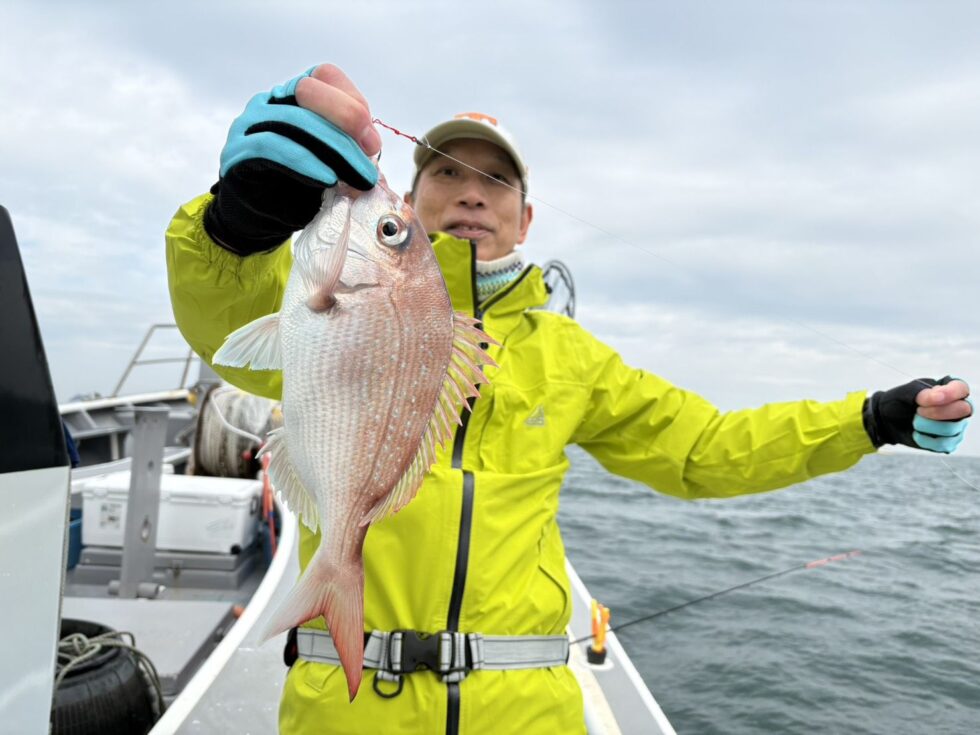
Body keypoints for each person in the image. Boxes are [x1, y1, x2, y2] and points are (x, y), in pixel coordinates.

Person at [165, 64, 972, 734]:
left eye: (495, 179)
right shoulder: (332, 292)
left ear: (526, 217)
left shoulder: (571, 357)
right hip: (348, 705)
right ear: (408, 203)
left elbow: (704, 449)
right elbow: (226, 324)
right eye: (445, 171)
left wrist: (865, 420)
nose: (471, 192)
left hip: (529, 710)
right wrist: (234, 230)